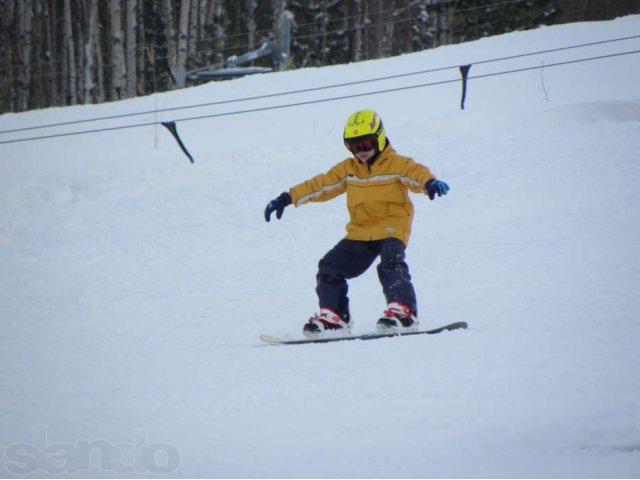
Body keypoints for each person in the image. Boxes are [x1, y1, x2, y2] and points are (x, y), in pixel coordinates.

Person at [264, 109, 449, 338]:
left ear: (380, 138)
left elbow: (415, 173)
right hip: (360, 231)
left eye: (366, 144)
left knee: (391, 262)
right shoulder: (349, 169)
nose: (360, 152)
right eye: (353, 146)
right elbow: (321, 184)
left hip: (392, 226)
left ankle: (403, 312)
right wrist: (287, 198)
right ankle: (335, 317)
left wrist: (429, 183)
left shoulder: (397, 164)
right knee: (329, 267)